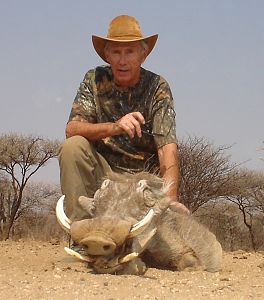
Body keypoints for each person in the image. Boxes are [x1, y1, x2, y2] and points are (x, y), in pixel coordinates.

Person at [59, 15, 189, 221]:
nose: (122, 60)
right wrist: (115, 127)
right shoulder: (94, 79)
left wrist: (170, 199)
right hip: (103, 177)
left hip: (143, 182)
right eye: (116, 52)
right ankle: (80, 232)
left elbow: (167, 148)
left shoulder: (157, 87)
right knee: (72, 147)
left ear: (143, 55)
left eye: (130, 51)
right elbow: (72, 129)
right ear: (107, 55)